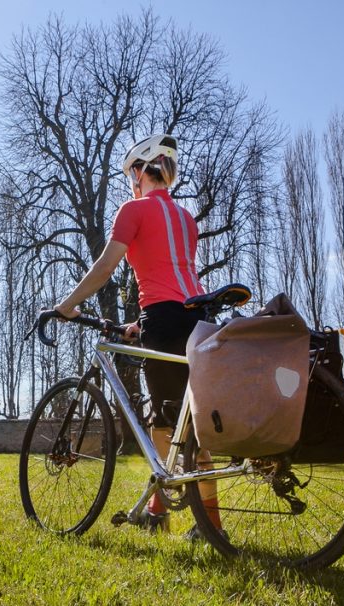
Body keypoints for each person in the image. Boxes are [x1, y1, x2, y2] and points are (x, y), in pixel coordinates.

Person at [53, 134, 221, 536]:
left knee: (164, 426)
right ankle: (161, 510)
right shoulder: (186, 218)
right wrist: (138, 324)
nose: (131, 179)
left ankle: (195, 519)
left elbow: (105, 267)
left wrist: (67, 304)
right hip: (196, 319)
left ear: (140, 171)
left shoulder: (133, 209)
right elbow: (176, 275)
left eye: (132, 171)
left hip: (163, 320)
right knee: (187, 425)